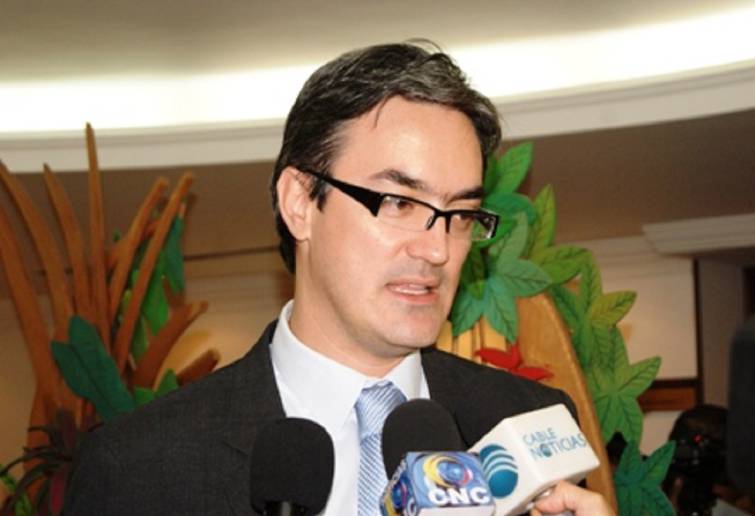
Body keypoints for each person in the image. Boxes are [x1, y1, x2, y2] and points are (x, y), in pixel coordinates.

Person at [63, 42, 613, 515]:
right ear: (300, 202)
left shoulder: (526, 421)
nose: (438, 249)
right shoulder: (136, 467)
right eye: (398, 202)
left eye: (462, 214)